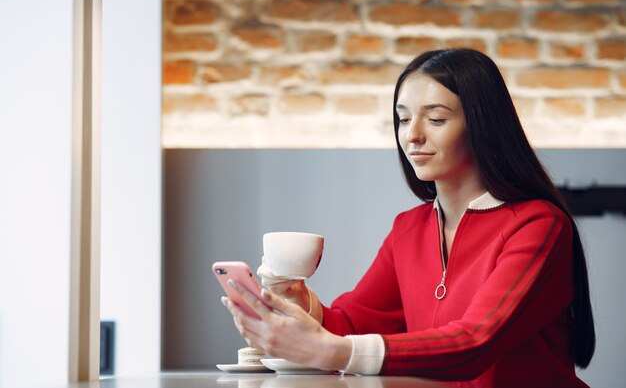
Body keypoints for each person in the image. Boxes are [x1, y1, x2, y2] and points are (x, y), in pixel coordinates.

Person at [221, 48, 596, 387]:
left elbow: (476, 342)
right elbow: (352, 325)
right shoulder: (409, 228)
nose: (412, 135)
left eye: (435, 119)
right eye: (402, 120)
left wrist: (328, 350)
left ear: (482, 125)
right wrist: (299, 305)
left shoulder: (538, 225)